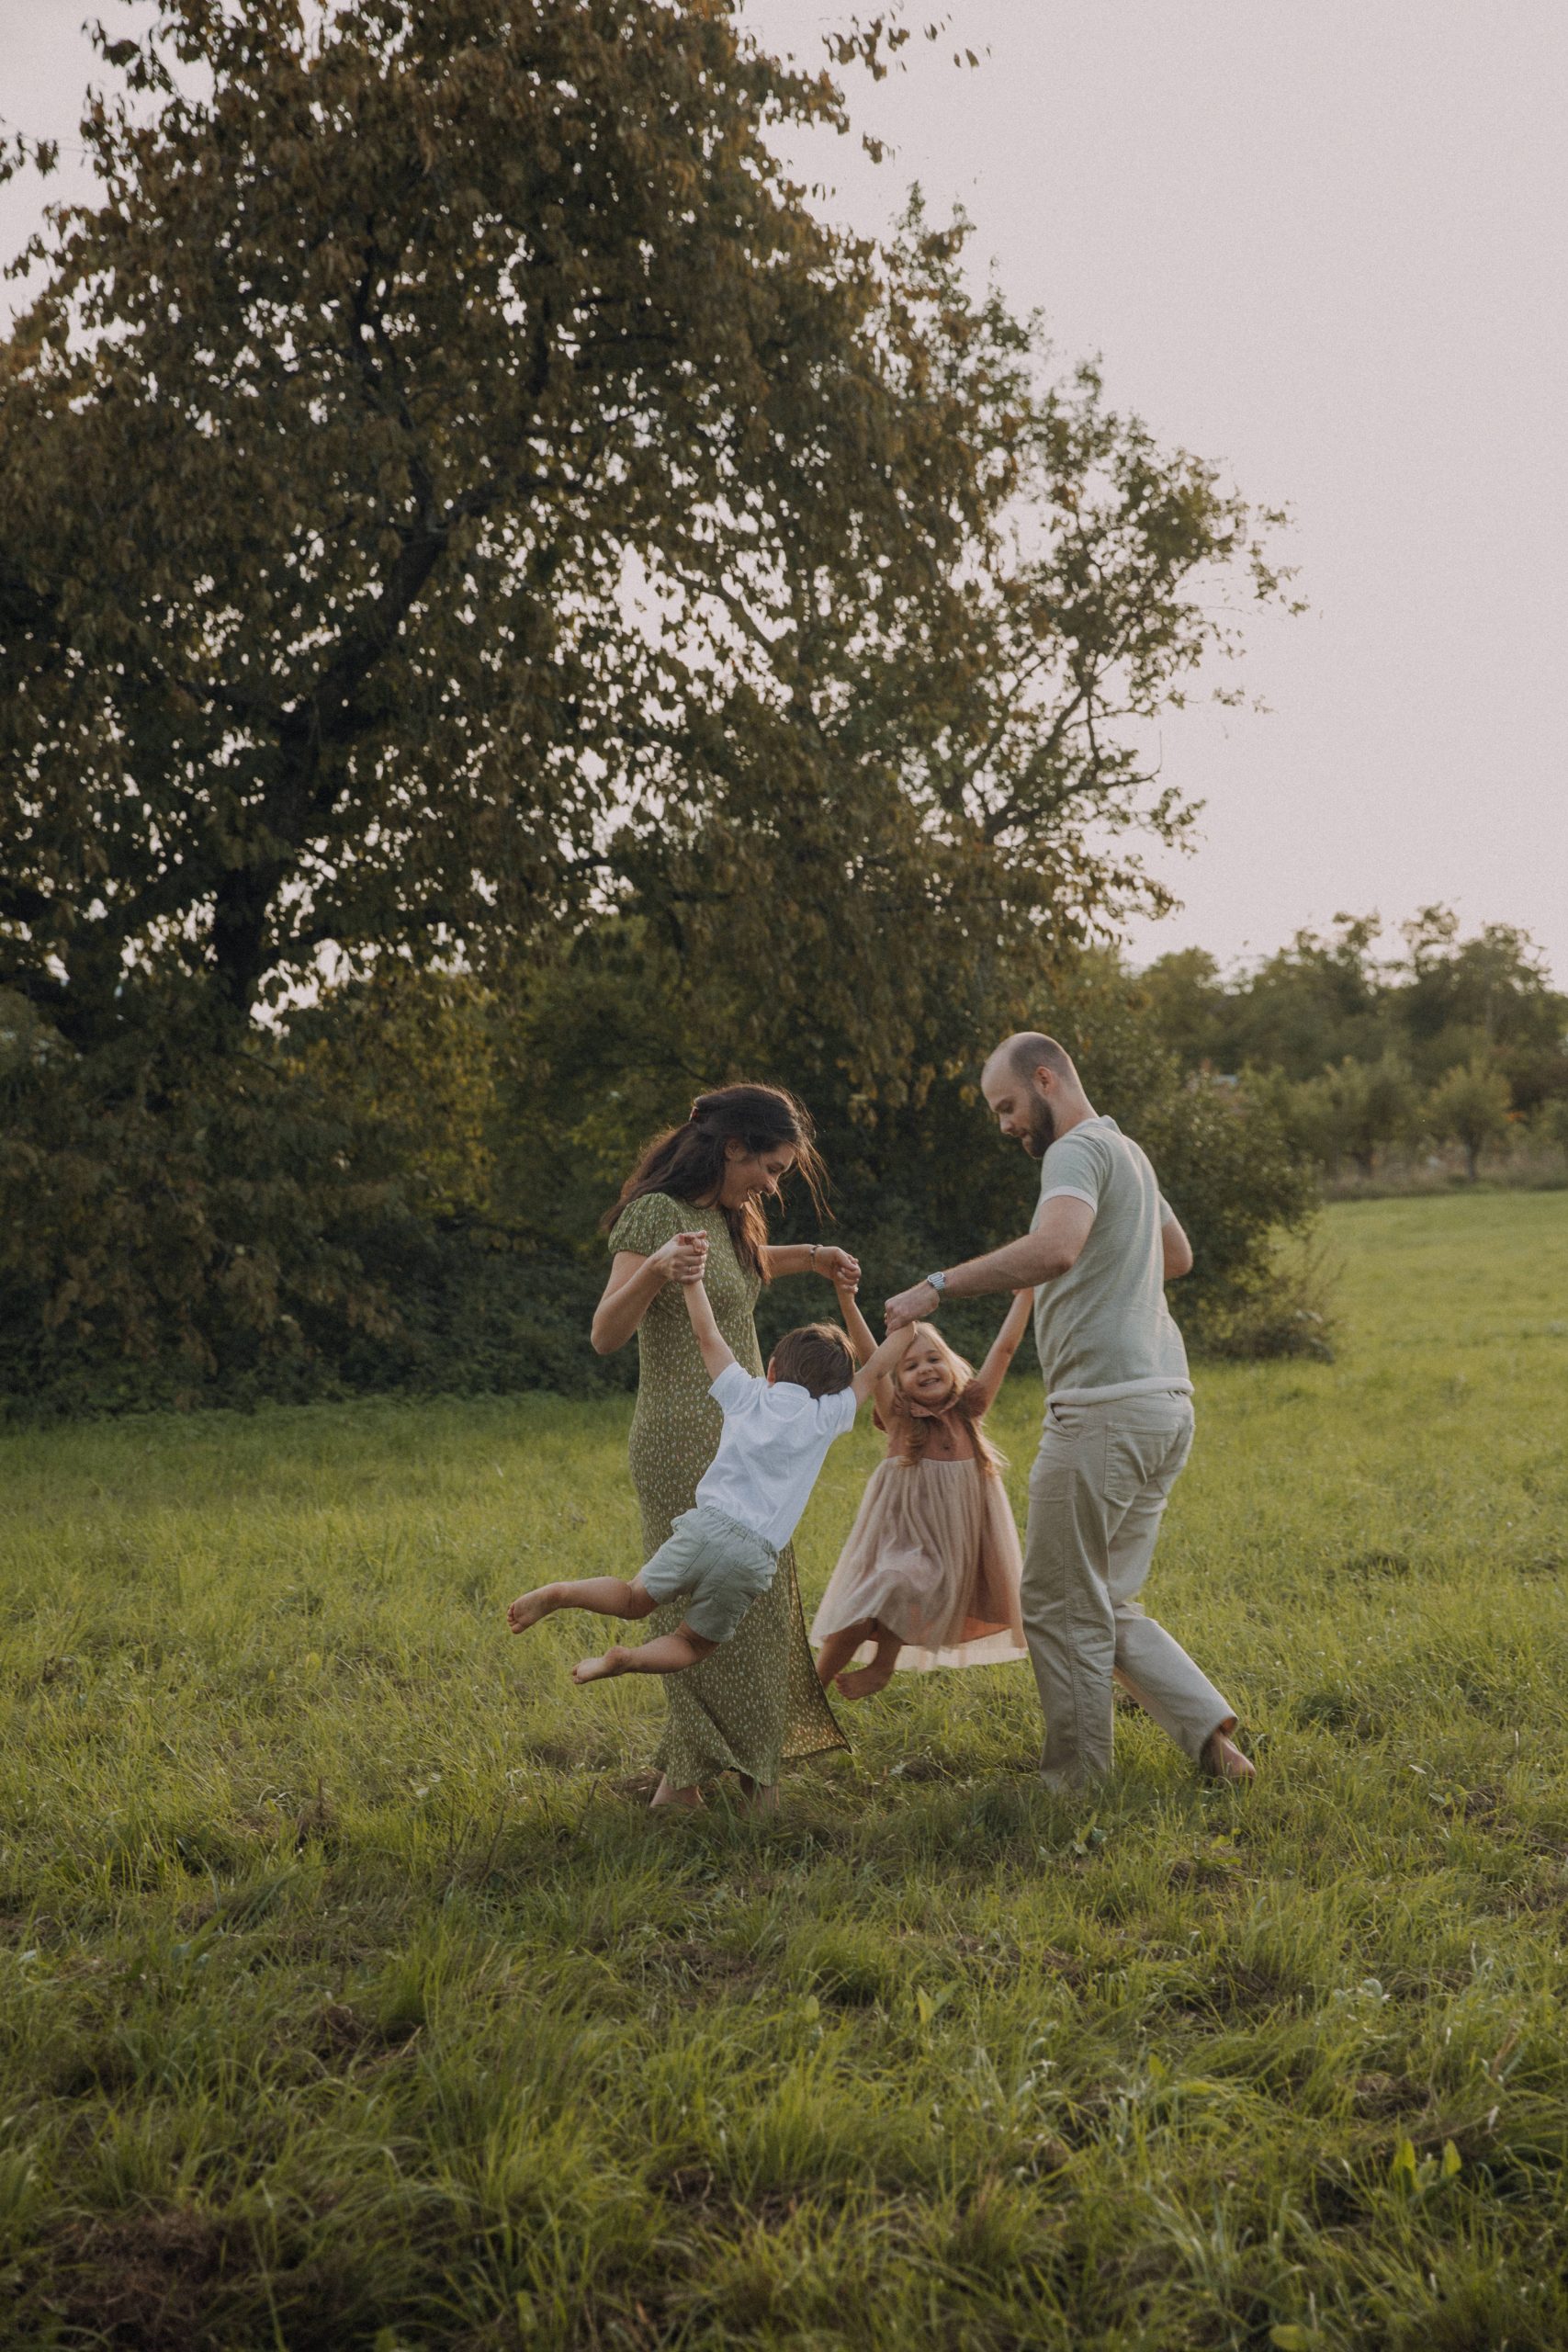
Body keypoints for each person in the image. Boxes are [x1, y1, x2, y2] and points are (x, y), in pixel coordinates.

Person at [885, 1033, 1253, 1792]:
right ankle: (1213, 1742)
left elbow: (1054, 1248)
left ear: (1046, 1079)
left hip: (1101, 1411)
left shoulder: (1075, 1151)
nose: (1005, 1125)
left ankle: (1075, 1784)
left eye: (1007, 1106)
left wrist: (936, 1286)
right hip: (1163, 1403)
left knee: (1055, 1602)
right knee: (1102, 1600)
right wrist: (1109, 1268)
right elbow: (1175, 1256)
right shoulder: (1127, 1153)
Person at [591, 1083, 858, 1811]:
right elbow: (606, 1333)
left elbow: (741, 1270)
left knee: (754, 1616)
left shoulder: (725, 1218)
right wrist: (654, 1269)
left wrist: (813, 1257)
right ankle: (690, 1786)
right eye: (769, 1168)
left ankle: (716, 1779)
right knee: (696, 1614)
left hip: (749, 1439)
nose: (772, 1185)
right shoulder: (657, 1214)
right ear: (733, 1145)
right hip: (682, 1442)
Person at [511, 1249, 913, 1683]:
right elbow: (877, 1368)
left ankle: (561, 1593)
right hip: (753, 1554)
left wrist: (692, 1280)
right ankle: (628, 1659)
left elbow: (708, 1336)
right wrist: (906, 1323)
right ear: (833, 1391)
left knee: (632, 1598)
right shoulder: (827, 1415)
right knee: (693, 1644)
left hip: (706, 1527)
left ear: (772, 1369)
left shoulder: (747, 1394)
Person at [811, 1282, 1032, 1696]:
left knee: (901, 1588)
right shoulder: (899, 1416)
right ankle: (810, 1690)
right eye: (911, 1365)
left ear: (951, 1364)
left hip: (949, 1541)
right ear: (898, 1379)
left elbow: (1004, 1350)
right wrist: (847, 1300)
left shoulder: (969, 1409)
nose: (926, 1369)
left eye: (934, 1359)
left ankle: (879, 1667)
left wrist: (1024, 1297)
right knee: (870, 1602)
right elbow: (872, 1360)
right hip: (900, 1536)